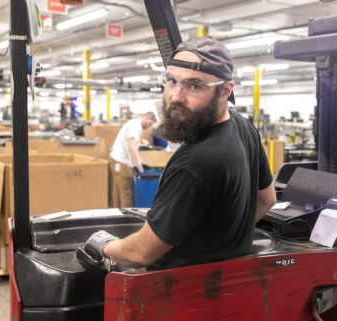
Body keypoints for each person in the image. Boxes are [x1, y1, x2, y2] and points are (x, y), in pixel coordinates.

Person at [81, 37, 277, 269]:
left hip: (182, 293)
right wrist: (220, 239)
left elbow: (140, 254)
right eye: (172, 81)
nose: (176, 96)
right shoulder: (244, 127)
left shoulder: (195, 162)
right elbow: (267, 199)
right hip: (225, 284)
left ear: (225, 91)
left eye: (194, 86)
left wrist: (103, 244)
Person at [109, 112, 157, 208]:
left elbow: (133, 145)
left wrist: (141, 161)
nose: (149, 127)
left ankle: (117, 215)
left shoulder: (133, 123)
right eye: (150, 123)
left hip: (116, 160)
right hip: (121, 162)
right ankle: (126, 219)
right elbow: (131, 144)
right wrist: (138, 162)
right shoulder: (136, 126)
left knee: (118, 191)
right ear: (146, 117)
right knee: (126, 193)